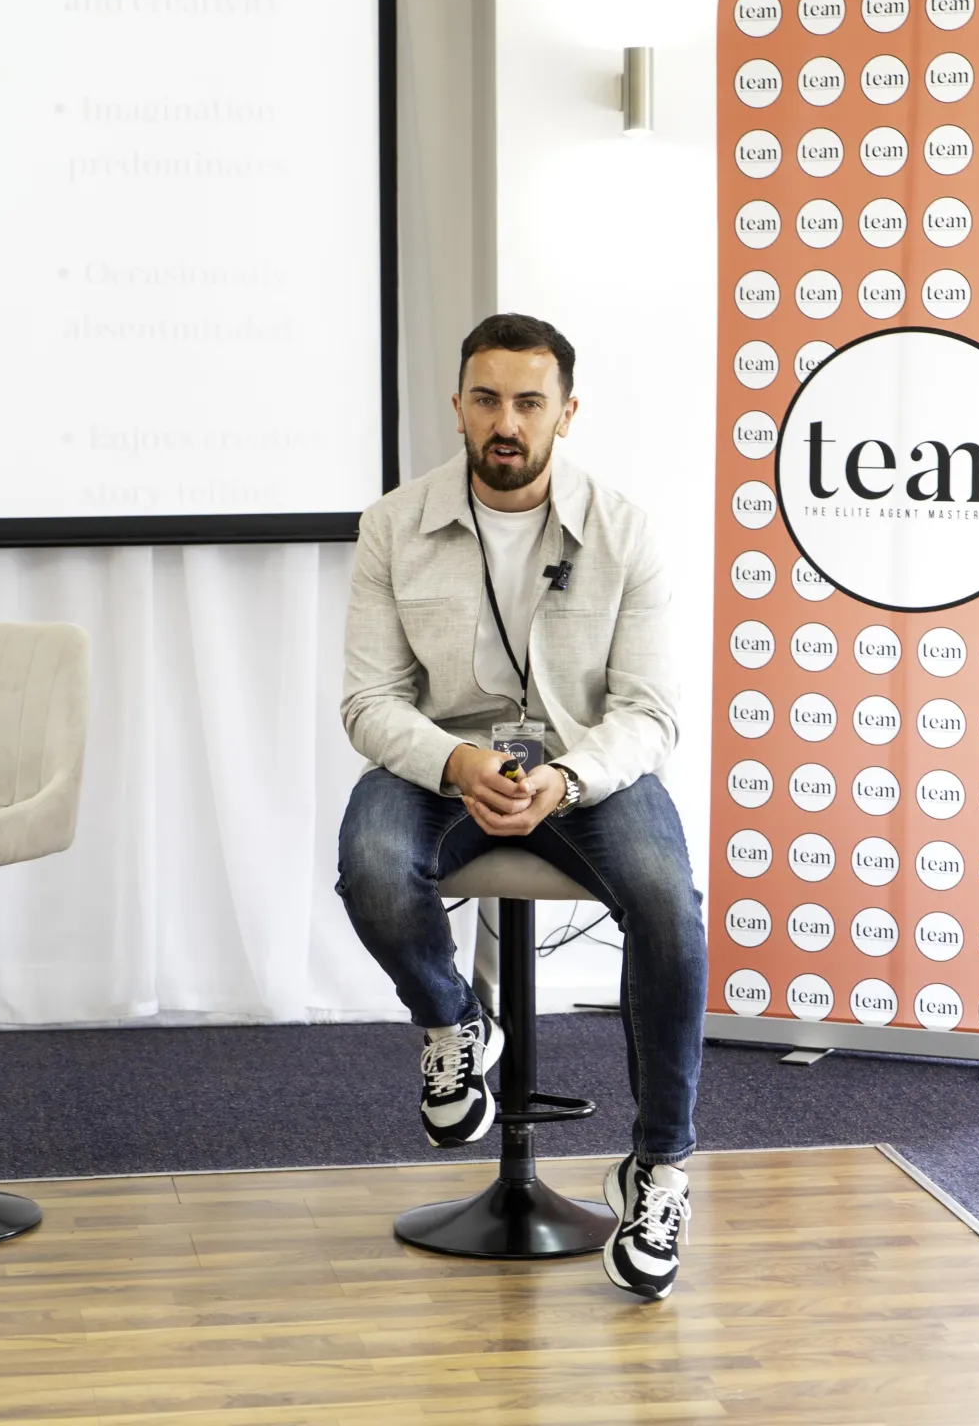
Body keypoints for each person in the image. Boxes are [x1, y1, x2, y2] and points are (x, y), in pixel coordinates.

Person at [336, 312, 707, 1300]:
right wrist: (458, 762)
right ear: (457, 407)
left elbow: (651, 711)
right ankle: (455, 1023)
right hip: (443, 765)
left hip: (586, 769)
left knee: (669, 903)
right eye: (488, 399)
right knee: (371, 863)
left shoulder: (625, 529)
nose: (507, 422)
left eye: (530, 402)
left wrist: (570, 778)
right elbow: (370, 702)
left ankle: (659, 1167)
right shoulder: (393, 526)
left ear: (566, 413)